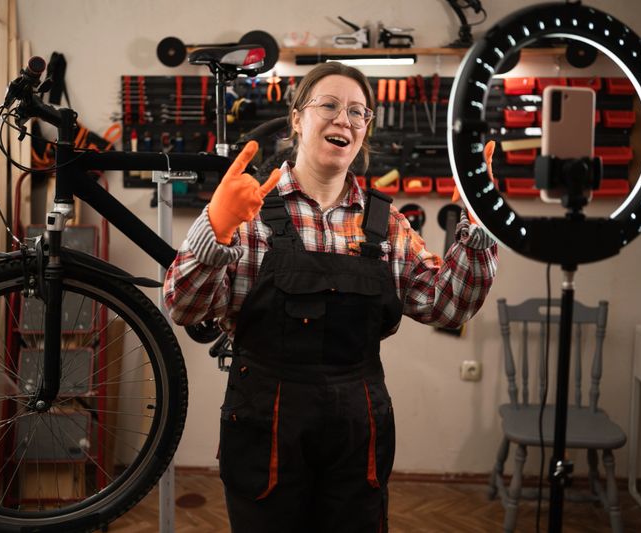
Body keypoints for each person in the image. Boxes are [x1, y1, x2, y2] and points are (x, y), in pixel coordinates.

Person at [164, 62, 498, 533]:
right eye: (329, 105)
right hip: (265, 427)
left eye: (358, 112)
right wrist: (213, 230)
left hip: (357, 432)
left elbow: (449, 306)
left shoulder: (387, 225)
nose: (345, 119)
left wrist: (480, 231)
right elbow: (183, 306)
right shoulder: (249, 212)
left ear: (365, 131)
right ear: (297, 119)